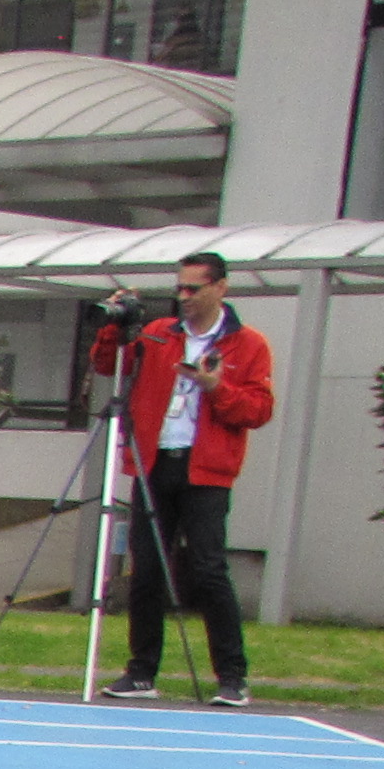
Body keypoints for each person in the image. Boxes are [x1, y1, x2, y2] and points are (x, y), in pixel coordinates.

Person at [94, 252, 272, 709]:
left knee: (209, 567)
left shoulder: (248, 344)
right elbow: (106, 363)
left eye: (195, 288)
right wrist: (118, 325)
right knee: (148, 568)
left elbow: (258, 410)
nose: (185, 296)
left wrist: (217, 387)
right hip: (156, 462)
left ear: (220, 289)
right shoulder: (158, 333)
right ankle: (141, 671)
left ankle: (232, 675)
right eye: (181, 287)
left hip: (208, 468)